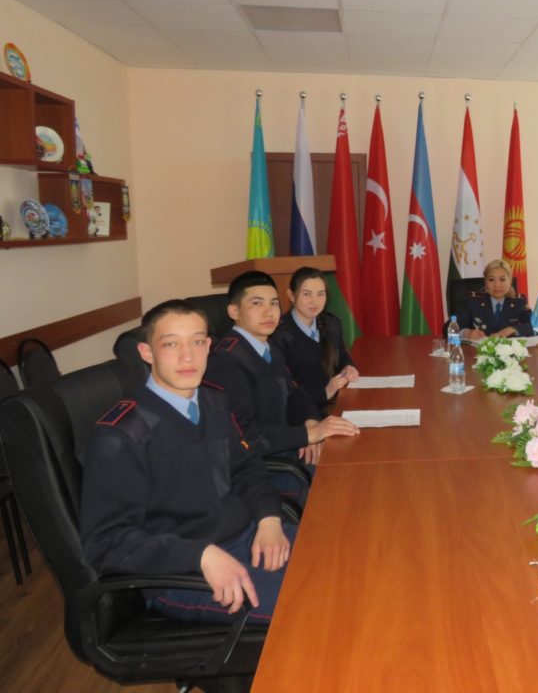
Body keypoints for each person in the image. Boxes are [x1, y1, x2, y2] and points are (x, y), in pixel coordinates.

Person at [79, 300, 293, 624]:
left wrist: (269, 519)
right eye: (170, 344)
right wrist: (200, 555)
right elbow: (107, 544)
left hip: (246, 536)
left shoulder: (213, 401)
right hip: (183, 573)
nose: (187, 356)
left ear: (208, 346)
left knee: (339, 559)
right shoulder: (120, 435)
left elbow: (247, 467)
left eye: (196, 342)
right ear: (147, 353)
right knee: (311, 602)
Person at [205, 271, 359, 475]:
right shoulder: (226, 360)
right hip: (260, 470)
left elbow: (294, 395)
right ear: (234, 311)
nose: (269, 312)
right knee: (347, 474)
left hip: (286, 446)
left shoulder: (268, 349)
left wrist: (310, 422)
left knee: (358, 450)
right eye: (257, 304)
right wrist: (306, 435)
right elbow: (246, 437)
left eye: (274, 303)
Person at [271, 266, 359, 411]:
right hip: (299, 414)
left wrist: (349, 367)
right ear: (291, 295)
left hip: (333, 405)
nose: (315, 301)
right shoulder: (277, 335)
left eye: (320, 294)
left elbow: (342, 356)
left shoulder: (332, 323)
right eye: (307, 294)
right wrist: (324, 393)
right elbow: (281, 393)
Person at [458, 259, 535, 340]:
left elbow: (534, 327)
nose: (497, 285)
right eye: (491, 280)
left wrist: (513, 329)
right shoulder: (472, 301)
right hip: (479, 347)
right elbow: (453, 326)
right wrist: (468, 333)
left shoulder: (519, 302)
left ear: (510, 281)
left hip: (509, 348)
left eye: (502, 279)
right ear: (485, 282)